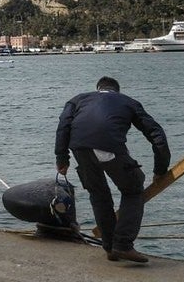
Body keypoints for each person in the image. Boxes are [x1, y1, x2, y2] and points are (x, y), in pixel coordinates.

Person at [55, 76, 170, 264]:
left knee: (98, 195)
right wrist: (160, 169)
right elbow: (156, 134)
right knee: (133, 190)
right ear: (117, 90)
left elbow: (63, 127)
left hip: (80, 149)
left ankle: (109, 247)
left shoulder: (77, 100)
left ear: (98, 88)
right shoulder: (128, 102)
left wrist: (62, 158)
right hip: (110, 148)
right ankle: (123, 245)